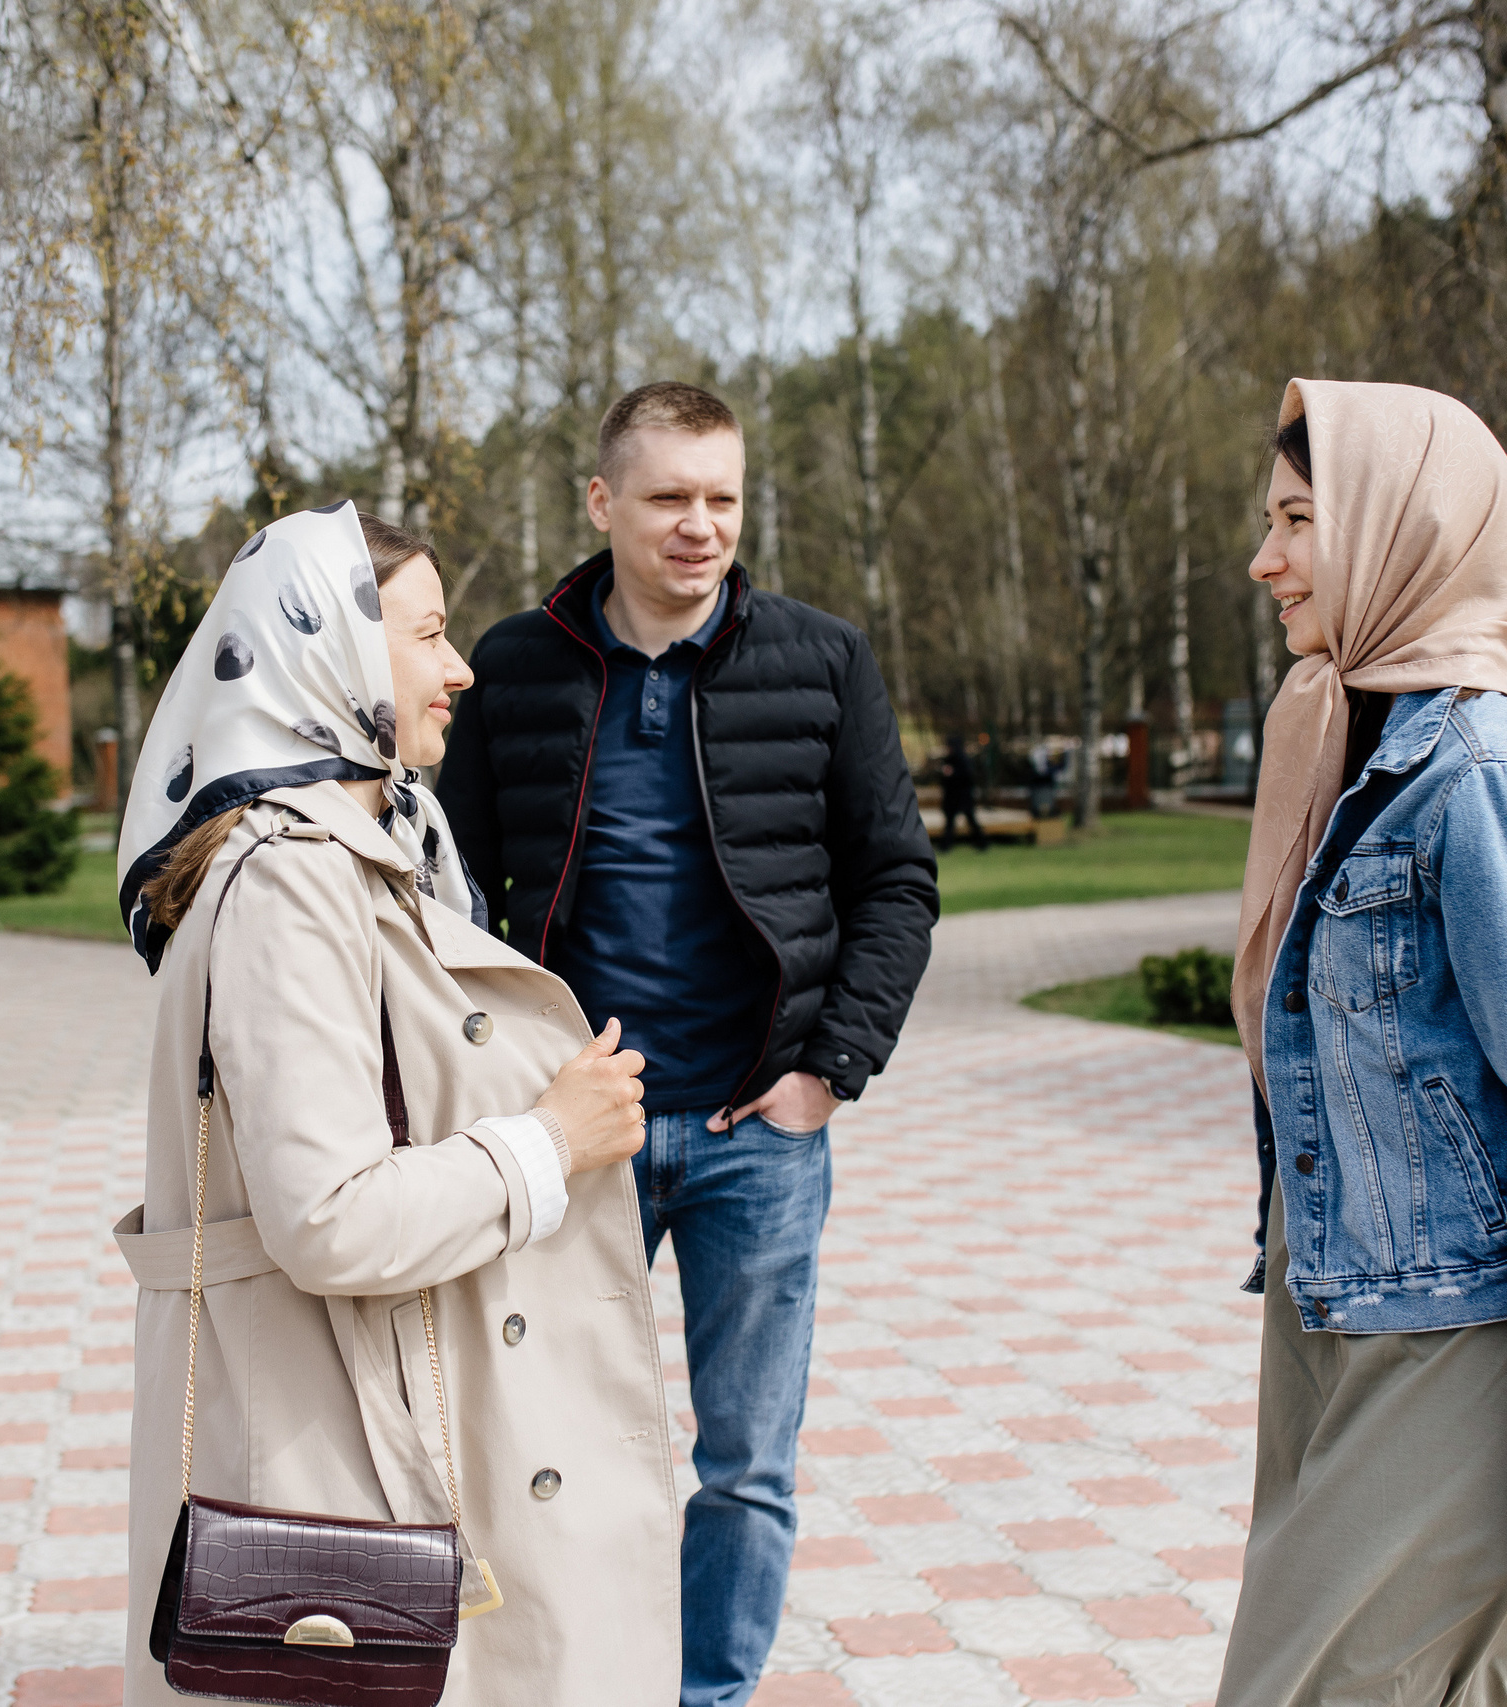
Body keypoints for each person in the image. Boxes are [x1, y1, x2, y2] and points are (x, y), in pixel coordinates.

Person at [110, 504, 682, 1707]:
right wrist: (548, 1142)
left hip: (376, 1398)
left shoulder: (377, 843)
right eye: (426, 635)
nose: (460, 666)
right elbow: (328, 1216)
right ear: (328, 651)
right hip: (333, 1439)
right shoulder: (291, 878)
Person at [438, 382, 938, 1707]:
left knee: (748, 1462)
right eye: (668, 496)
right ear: (602, 504)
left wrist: (830, 1068)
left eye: (721, 496)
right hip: (573, 1130)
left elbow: (896, 876)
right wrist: (506, 1088)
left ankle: (705, 1694)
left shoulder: (821, 660)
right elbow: (445, 895)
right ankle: (566, 1676)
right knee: (538, 1441)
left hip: (750, 1133)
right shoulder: (509, 667)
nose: (699, 525)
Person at [1216, 381, 1507, 1706]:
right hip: (1352, 1305)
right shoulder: (1363, 753)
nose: (1267, 559)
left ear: (1404, 530)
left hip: (1475, 1334)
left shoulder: (1489, 780)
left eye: (1302, 519)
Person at [937, 729, 985, 849]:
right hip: (952, 795)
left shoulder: (963, 759)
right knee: (950, 821)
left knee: (970, 819)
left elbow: (968, 777)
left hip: (962, 795)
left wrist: (953, 773)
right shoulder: (948, 759)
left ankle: (981, 842)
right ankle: (946, 844)